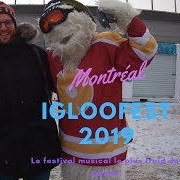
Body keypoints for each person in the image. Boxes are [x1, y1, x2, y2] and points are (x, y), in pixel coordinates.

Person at [38, 0, 157, 179]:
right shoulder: (54, 56)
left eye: (58, 17)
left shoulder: (107, 44)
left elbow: (145, 51)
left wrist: (128, 19)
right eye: (46, 24)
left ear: (83, 18)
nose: (55, 28)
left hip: (107, 152)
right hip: (71, 152)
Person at [0, 2, 62, 179]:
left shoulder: (37, 55)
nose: (3, 28)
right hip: (3, 147)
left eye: (8, 22)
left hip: (39, 143)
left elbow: (63, 86)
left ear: (15, 25)